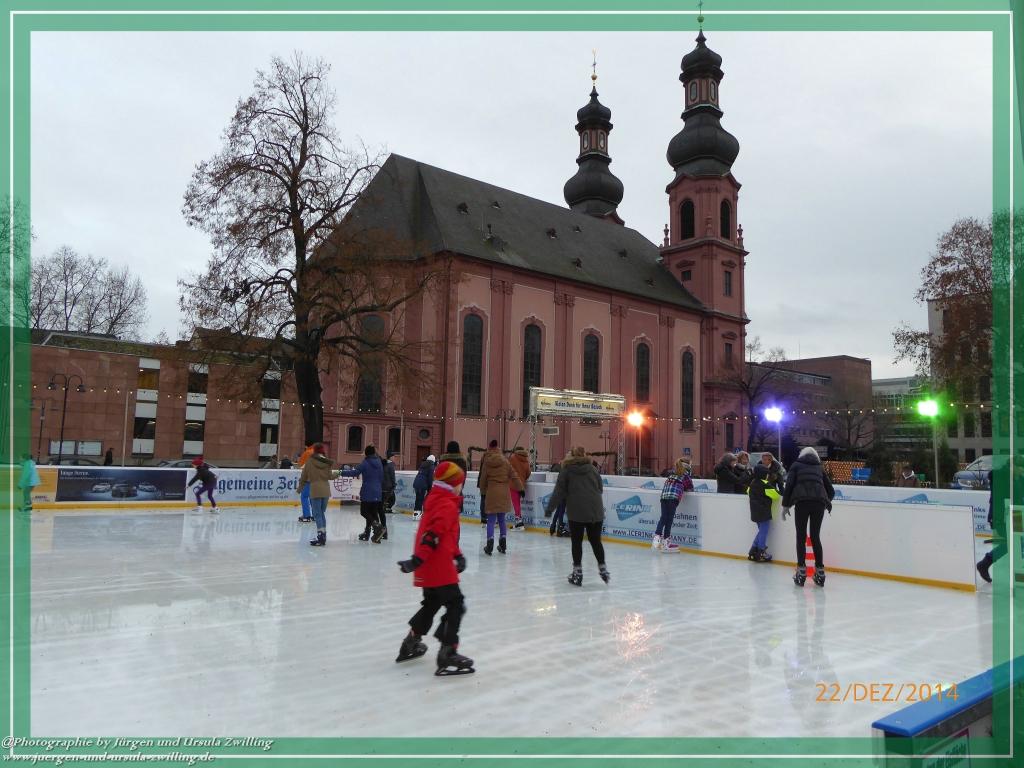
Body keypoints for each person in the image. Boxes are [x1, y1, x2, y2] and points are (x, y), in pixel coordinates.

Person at [395, 460, 474, 676]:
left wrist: (457, 555)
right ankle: (448, 651)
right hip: (438, 567)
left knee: (431, 604)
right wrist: (416, 560)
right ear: (454, 484)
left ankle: (411, 641)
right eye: (460, 483)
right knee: (456, 605)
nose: (461, 487)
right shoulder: (447, 504)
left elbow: (444, 534)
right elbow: (432, 536)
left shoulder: (436, 499)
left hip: (430, 566)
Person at [545, 446, 609, 586]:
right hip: (595, 511)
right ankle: (603, 569)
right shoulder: (592, 469)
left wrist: (550, 509)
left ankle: (577, 572)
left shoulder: (567, 470)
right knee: (595, 541)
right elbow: (600, 488)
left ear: (571, 456)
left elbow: (558, 492)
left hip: (577, 511)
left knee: (577, 542)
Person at [781, 447, 835, 587]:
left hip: (802, 503)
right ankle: (820, 571)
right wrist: (823, 501)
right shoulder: (819, 467)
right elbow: (831, 491)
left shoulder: (796, 465)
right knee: (815, 536)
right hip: (819, 504)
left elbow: (789, 486)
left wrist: (785, 505)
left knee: (801, 536)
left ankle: (801, 570)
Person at [341, 445, 386, 543]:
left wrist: (341, 472)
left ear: (366, 453)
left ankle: (377, 527)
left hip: (368, 491)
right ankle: (370, 533)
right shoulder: (379, 462)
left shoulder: (365, 463)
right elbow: (382, 477)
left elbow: (354, 473)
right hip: (378, 491)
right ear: (374, 452)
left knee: (364, 512)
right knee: (373, 513)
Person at [295, 443, 337, 546]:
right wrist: (338, 474)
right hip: (326, 491)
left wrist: (299, 489)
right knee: (321, 514)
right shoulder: (327, 462)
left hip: (315, 490)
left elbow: (304, 477)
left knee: (317, 514)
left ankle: (320, 536)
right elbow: (330, 476)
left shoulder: (310, 461)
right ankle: (324, 535)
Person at [477, 440, 514, 555]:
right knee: (502, 520)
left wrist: (483, 490)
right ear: (498, 447)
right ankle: (503, 543)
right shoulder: (505, 460)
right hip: (503, 492)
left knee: (491, 521)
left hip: (491, 492)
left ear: (489, 447)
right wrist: (520, 487)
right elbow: (512, 475)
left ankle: (490, 543)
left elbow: (483, 478)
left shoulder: (486, 459)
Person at [654, 458, 694, 552]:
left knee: (664, 517)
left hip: (664, 497)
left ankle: (660, 538)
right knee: (669, 520)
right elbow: (690, 488)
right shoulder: (685, 475)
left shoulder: (671, 474)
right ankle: (660, 538)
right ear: (688, 466)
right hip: (673, 498)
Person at [747, 463, 776, 562]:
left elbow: (748, 491)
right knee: (763, 531)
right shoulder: (765, 485)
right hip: (764, 512)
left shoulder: (752, 483)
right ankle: (761, 551)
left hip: (755, 511)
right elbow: (776, 496)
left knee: (761, 531)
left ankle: (753, 550)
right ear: (764, 474)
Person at [977, 470, 1001, 582]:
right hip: (1002, 516)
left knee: (1012, 545)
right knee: (1013, 544)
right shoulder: (1001, 478)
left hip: (1014, 514)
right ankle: (985, 563)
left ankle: (985, 563)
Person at [438, 440, 468, 517]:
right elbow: (463, 475)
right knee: (454, 518)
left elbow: (438, 476)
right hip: (456, 491)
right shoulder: (461, 461)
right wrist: (460, 487)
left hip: (443, 492)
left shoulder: (443, 460)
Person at [548, 451, 572, 537]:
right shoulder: (568, 467)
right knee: (561, 510)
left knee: (559, 510)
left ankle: (553, 526)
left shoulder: (564, 466)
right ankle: (560, 528)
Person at [508, 446, 532, 530]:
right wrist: (523, 479)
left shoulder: (512, 457)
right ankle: (519, 520)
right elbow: (529, 472)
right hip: (522, 484)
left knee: (515, 503)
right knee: (517, 502)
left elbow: (507, 468)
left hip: (513, 483)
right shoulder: (526, 459)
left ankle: (519, 521)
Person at [296, 441, 316, 523]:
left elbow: (301, 465)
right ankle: (315, 516)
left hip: (308, 479)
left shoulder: (307, 453)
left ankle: (306, 515)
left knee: (304, 497)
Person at [412, 454, 436, 518]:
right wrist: (430, 488)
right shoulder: (431, 466)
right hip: (422, 485)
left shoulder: (422, 465)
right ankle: (418, 514)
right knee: (421, 499)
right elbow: (430, 478)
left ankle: (415, 513)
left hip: (416, 483)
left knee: (418, 499)